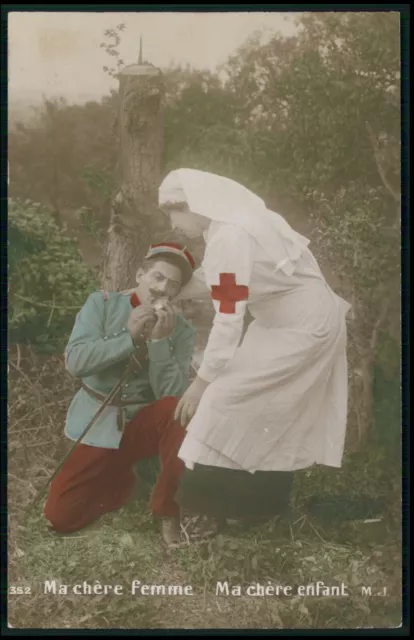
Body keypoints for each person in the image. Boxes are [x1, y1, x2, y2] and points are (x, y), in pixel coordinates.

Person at [158, 168, 352, 521]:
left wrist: (200, 384)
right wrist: (177, 291)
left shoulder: (232, 235)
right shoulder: (227, 231)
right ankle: (251, 508)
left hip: (304, 327)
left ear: (198, 204)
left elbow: (229, 318)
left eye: (174, 210)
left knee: (223, 397)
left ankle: (228, 507)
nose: (173, 222)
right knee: (257, 407)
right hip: (278, 323)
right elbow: (222, 281)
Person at [44, 242, 198, 546]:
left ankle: (168, 510)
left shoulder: (181, 330)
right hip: (97, 422)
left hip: (142, 423)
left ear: (176, 293)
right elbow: (76, 362)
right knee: (60, 517)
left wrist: (159, 343)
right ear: (140, 274)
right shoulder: (100, 304)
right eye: (157, 277)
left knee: (177, 410)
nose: (161, 288)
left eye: (171, 285)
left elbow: (172, 396)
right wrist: (126, 337)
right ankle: (123, 482)